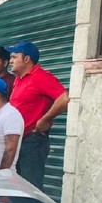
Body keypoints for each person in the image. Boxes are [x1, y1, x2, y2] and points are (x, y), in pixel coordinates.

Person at [8, 40, 69, 191]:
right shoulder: (18, 79)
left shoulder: (41, 77)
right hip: (19, 140)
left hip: (33, 141)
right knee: (18, 186)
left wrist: (45, 119)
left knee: (31, 187)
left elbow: (64, 98)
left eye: (14, 57)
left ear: (26, 59)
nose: (10, 61)